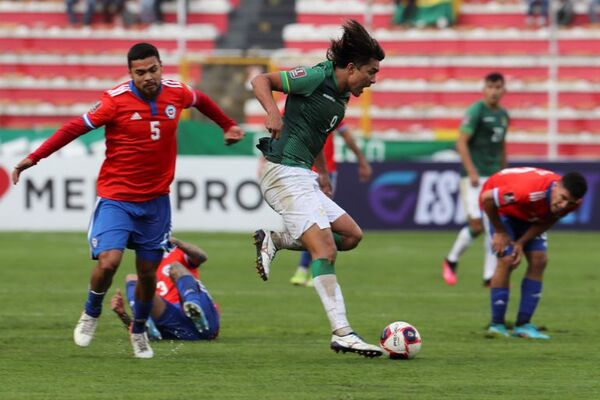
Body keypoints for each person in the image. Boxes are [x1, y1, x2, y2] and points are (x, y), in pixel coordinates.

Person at [11, 42, 244, 358]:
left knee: (148, 273)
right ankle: (91, 311)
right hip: (117, 199)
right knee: (110, 261)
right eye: (140, 72)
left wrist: (227, 124)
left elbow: (201, 100)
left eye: (153, 69)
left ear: (160, 66)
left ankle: (139, 332)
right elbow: (73, 128)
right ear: (130, 73)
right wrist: (34, 158)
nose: (148, 77)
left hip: (156, 203)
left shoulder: (176, 92)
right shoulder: (114, 101)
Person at [251, 19, 385, 358]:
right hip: (283, 172)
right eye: (371, 72)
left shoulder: (341, 97)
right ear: (352, 67)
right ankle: (343, 332)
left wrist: (322, 172)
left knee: (351, 236)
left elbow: (318, 135)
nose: (373, 80)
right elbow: (260, 80)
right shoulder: (315, 77)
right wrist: (272, 112)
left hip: (304, 175)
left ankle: (276, 239)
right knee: (325, 251)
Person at [480, 167, 587, 339]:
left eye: (571, 203)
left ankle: (523, 325)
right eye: (563, 199)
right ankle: (497, 324)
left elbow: (550, 219)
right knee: (507, 259)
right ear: (556, 186)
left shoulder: (573, 202)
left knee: (539, 260)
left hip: (528, 215)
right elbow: (487, 199)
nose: (564, 205)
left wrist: (521, 243)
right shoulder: (526, 191)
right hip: (501, 211)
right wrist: (500, 231)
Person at [442, 72, 509, 287]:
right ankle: (451, 259)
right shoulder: (476, 111)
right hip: (473, 177)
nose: (494, 91)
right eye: (490, 87)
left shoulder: (504, 115)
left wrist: (504, 173)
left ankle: (489, 275)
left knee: (492, 227)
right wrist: (471, 171)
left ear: (503, 90)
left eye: (498, 87)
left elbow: (502, 146)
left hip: (492, 177)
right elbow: (461, 143)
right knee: (477, 224)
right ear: (484, 89)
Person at [289, 121, 373, 287]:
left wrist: (361, 160)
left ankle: (307, 268)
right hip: (301, 170)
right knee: (312, 222)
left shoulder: (330, 108)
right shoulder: (297, 107)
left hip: (324, 172)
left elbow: (346, 135)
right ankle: (308, 268)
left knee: (319, 221)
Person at [111, 237, 220, 341]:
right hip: (178, 328)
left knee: (175, 267)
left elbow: (201, 257)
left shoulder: (174, 252)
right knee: (133, 279)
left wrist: (178, 243)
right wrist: (123, 315)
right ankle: (143, 320)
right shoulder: (144, 265)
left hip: (204, 317)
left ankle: (193, 306)